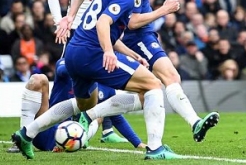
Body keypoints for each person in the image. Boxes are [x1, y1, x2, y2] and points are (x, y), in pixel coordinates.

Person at [12, 0, 182, 160]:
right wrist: (109, 52)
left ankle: (26, 133)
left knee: (85, 104)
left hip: (74, 52)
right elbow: (103, 23)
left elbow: (102, 27)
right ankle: (155, 149)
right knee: (153, 85)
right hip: (93, 54)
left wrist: (130, 53)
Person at [55, 0, 219, 143]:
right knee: (160, 82)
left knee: (161, 83)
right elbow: (132, 23)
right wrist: (163, 10)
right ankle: (181, 129)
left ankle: (89, 117)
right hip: (134, 37)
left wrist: (70, 16)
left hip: (119, 36)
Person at [47, 0, 127, 144]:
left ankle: (107, 130)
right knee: (71, 76)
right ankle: (62, 123)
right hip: (76, 31)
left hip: (103, 29)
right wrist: (59, 22)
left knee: (107, 73)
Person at [10, 59, 145, 154]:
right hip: (45, 130)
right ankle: (21, 139)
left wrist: (137, 143)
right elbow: (62, 70)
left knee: (100, 114)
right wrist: (84, 69)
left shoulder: (107, 86)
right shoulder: (68, 63)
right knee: (38, 79)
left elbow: (117, 117)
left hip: (73, 138)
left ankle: (82, 137)